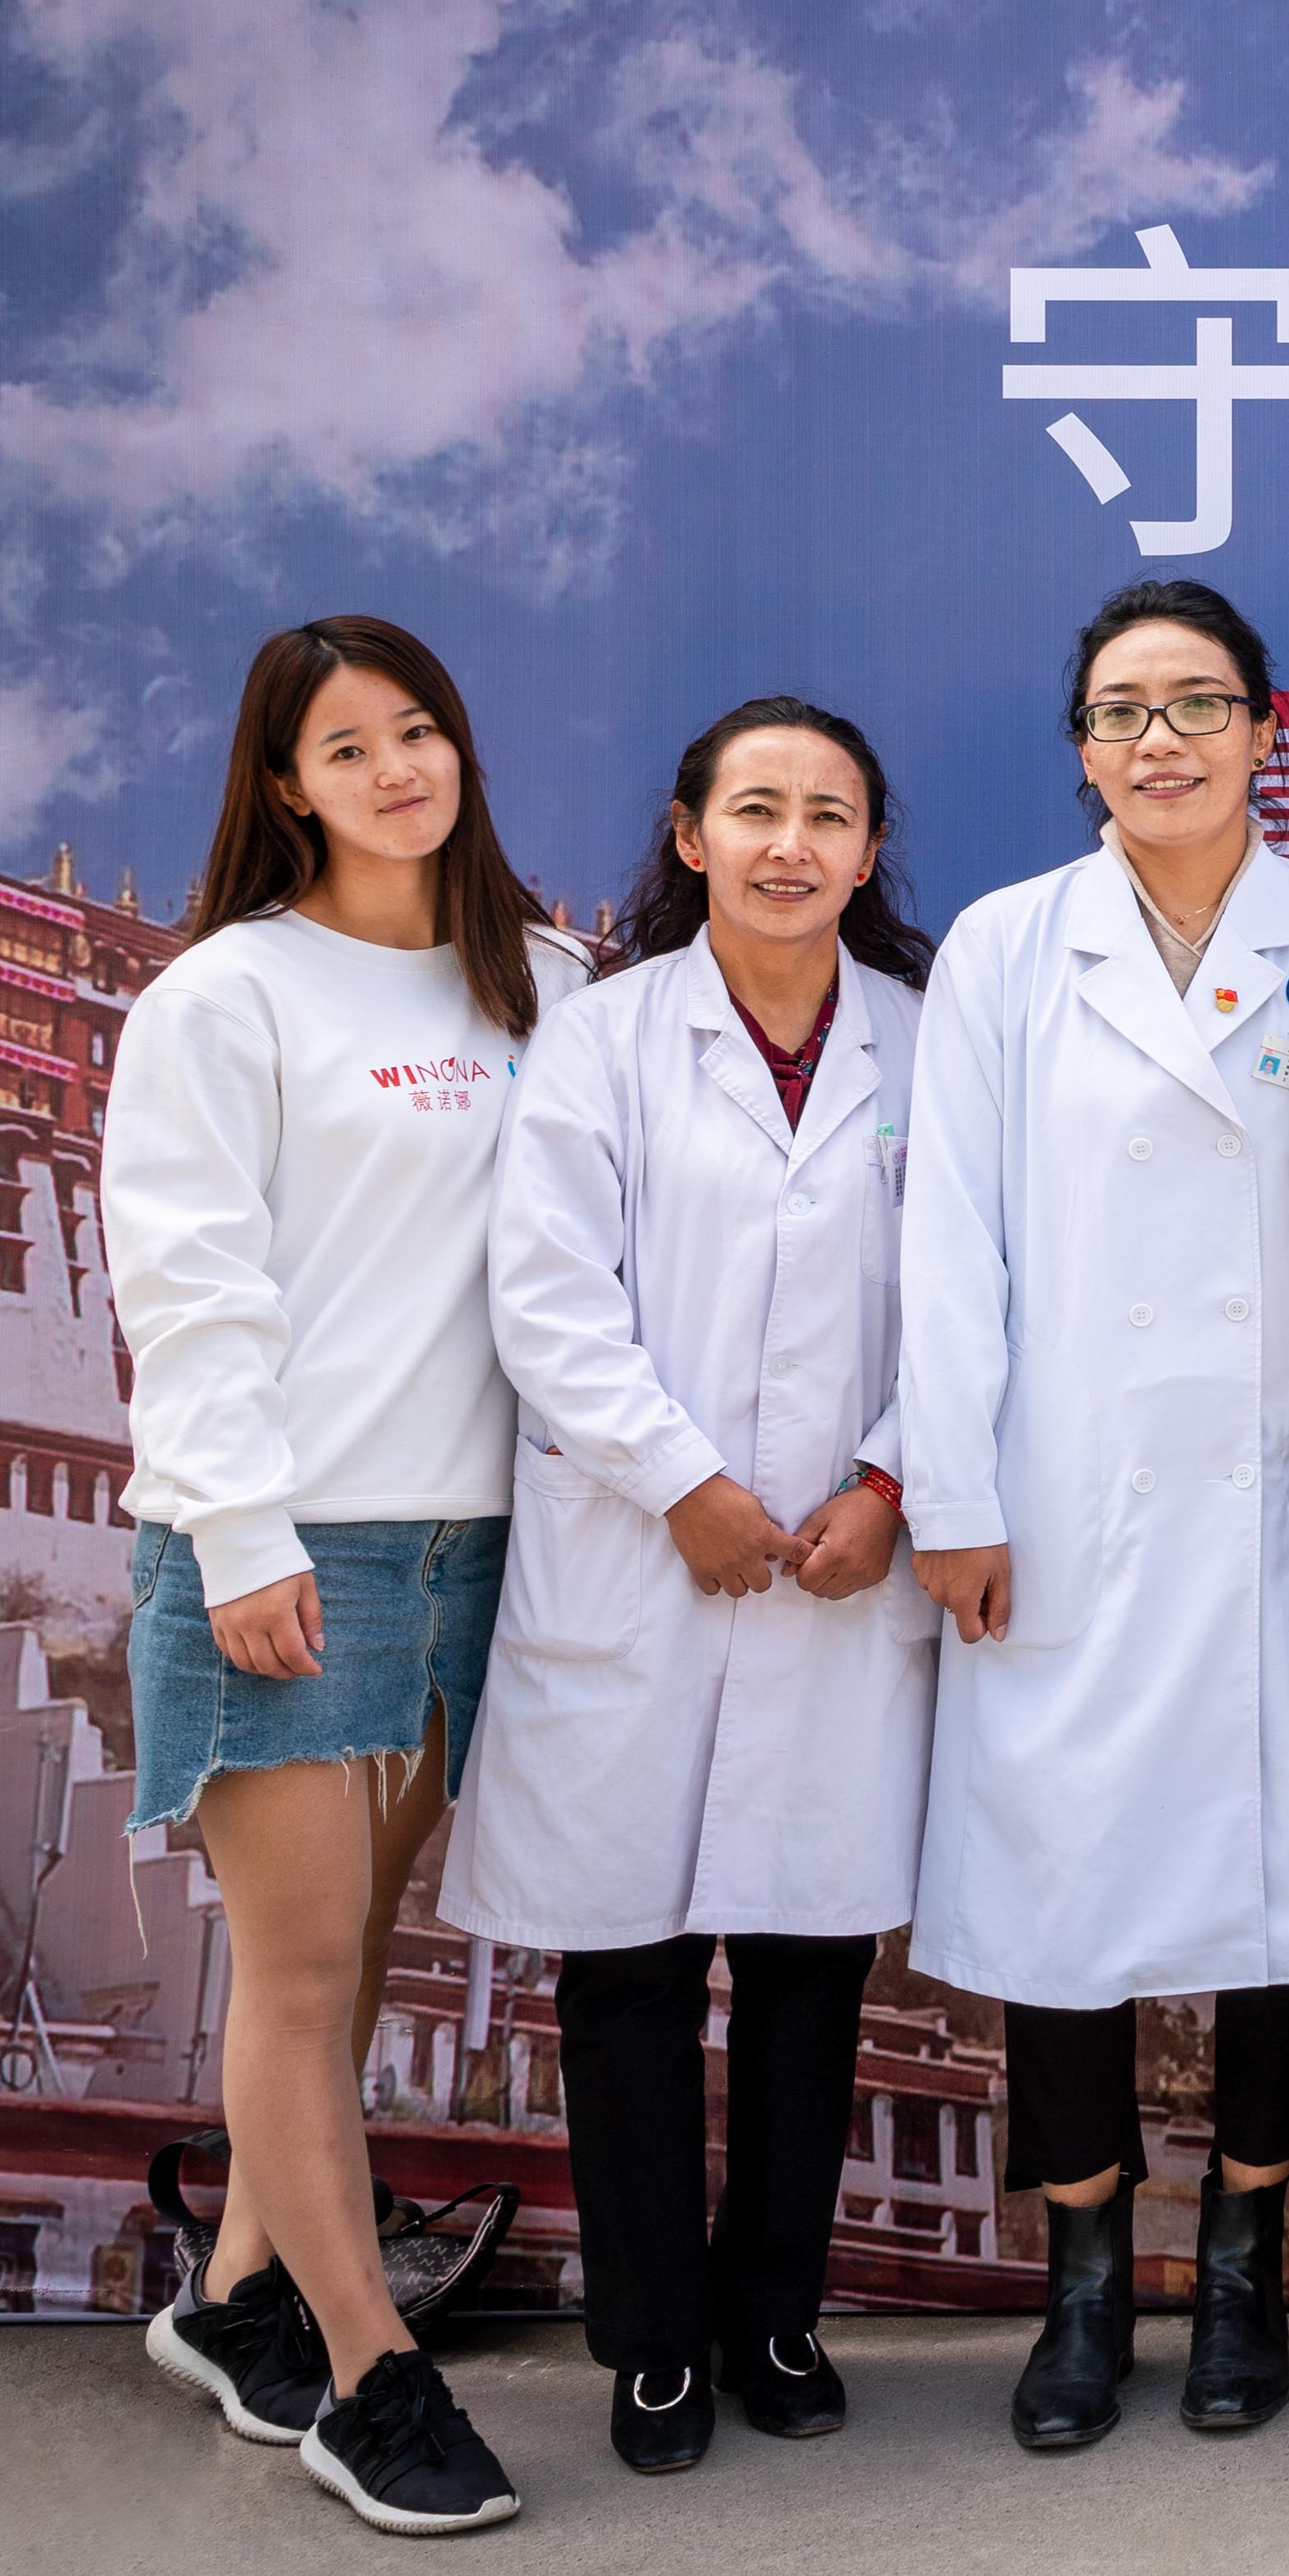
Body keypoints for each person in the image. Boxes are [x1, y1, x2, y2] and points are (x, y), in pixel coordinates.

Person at [111, 614, 582, 2537]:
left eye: (418, 732)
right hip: (291, 1540)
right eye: (346, 748)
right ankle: (371, 2380)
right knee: (303, 1980)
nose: (396, 772)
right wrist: (240, 1534)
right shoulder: (227, 996)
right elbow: (189, 1280)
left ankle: (237, 2305)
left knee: (362, 1952)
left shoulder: (543, 980)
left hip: (484, 1544)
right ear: (284, 786)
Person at [897, 579, 1289, 2456]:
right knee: (1064, 1896)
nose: (1158, 739)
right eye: (1120, 710)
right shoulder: (1012, 950)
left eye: (1196, 704)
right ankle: (1084, 2278)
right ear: (1081, 748)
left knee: (1285, 1891)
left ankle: (1247, 2261)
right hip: (1067, 1492)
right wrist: (953, 1492)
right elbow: (953, 1243)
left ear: (1266, 732)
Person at [450, 699, 938, 2479]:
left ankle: (778, 2315)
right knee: (630, 1978)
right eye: (755, 810)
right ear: (689, 837)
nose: (789, 844)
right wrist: (685, 1484)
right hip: (642, 1556)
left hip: (844, 1568)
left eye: (827, 815)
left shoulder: (927, 1045)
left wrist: (891, 1479)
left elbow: (981, 1295)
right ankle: (654, 2341)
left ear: (868, 853)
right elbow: (546, 1297)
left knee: (814, 1971)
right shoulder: (602, 1038)